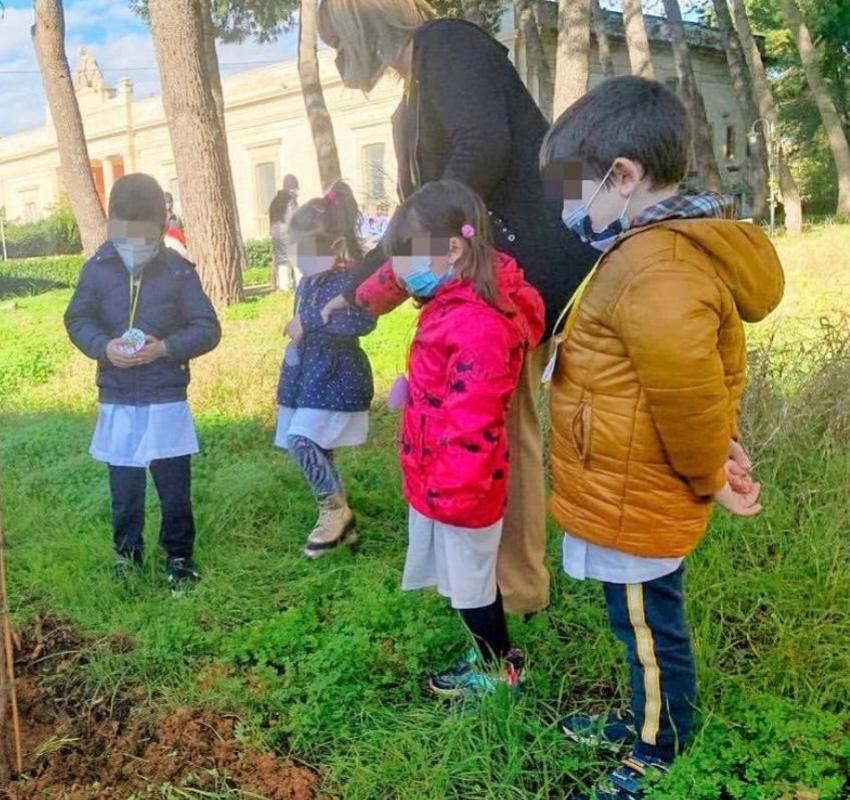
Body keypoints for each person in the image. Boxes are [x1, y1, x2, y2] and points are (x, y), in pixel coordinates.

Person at [539, 77, 783, 798]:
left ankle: (663, 742)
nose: (565, 211)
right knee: (635, 620)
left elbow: (688, 394)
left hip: (635, 485)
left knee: (649, 626)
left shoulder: (656, 266)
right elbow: (682, 384)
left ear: (621, 176)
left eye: (568, 191)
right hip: (623, 474)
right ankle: (645, 718)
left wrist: (713, 475)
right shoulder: (649, 253)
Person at [317, 0, 598, 616]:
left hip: (525, 275)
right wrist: (367, 275)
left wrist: (393, 258)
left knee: (504, 432)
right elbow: (424, 208)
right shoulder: (411, 96)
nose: (335, 59)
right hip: (483, 282)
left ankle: (517, 592)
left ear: (362, 25)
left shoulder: (449, 46)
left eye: (335, 40)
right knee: (500, 429)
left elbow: (481, 151)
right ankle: (503, 583)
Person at [352, 180, 544, 698]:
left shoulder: (477, 322)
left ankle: (497, 671)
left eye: (407, 255)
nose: (399, 270)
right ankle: (495, 656)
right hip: (444, 477)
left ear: (453, 248)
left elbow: (474, 419)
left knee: (471, 587)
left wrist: (453, 495)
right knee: (470, 582)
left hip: (461, 487)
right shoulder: (452, 303)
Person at [65, 174, 221, 591]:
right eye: (125, 234)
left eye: (144, 236)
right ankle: (127, 554)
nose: (135, 246)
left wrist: (166, 348)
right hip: (117, 395)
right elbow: (77, 319)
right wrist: (103, 347)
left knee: (173, 484)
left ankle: (180, 556)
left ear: (161, 224)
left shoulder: (176, 270)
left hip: (164, 395)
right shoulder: (97, 268)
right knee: (124, 485)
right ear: (112, 224)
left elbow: (207, 327)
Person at [275, 181, 376, 559]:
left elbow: (362, 322)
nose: (300, 258)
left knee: (301, 441)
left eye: (307, 249)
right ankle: (343, 527)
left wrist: (310, 322)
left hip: (337, 378)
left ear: (333, 245)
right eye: (294, 250)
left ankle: (333, 511)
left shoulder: (349, 279)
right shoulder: (307, 282)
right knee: (318, 446)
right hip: (309, 380)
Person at [269, 174, 301, 291]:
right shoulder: (291, 201)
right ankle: (300, 287)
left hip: (276, 234)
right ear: (293, 187)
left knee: (282, 261)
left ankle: (284, 289)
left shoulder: (275, 201)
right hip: (290, 234)